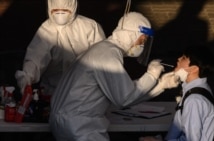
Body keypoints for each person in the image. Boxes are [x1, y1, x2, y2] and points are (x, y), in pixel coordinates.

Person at [49, 12, 180, 141]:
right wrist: (151, 75)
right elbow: (125, 98)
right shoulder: (108, 54)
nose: (142, 45)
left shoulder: (102, 49)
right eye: (142, 39)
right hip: (80, 127)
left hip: (69, 123)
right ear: (130, 34)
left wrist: (161, 86)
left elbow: (124, 95)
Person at [15, 0, 106, 96]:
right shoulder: (46, 30)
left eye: (65, 10)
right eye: (56, 10)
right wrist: (27, 76)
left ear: (73, 7)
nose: (60, 13)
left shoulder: (89, 27)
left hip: (86, 92)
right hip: (54, 92)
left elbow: (103, 58)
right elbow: (36, 57)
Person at [139, 45, 214, 141]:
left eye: (184, 58)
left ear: (194, 69)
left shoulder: (194, 100)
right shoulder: (198, 90)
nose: (178, 59)